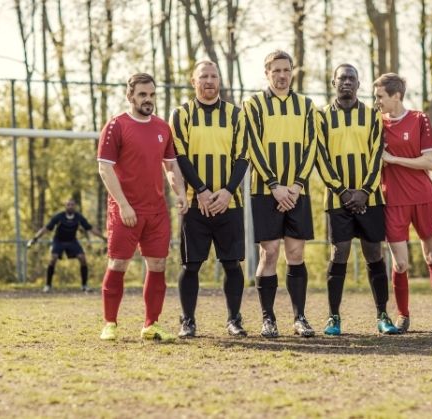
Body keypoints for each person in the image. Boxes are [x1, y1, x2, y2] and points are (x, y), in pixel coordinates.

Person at [96, 73, 188, 342]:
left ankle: (151, 324)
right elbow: (105, 168)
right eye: (142, 95)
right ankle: (110, 323)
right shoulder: (116, 126)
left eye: (152, 95)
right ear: (130, 96)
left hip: (157, 211)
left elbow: (170, 165)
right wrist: (123, 205)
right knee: (118, 264)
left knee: (158, 265)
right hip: (126, 210)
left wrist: (180, 192)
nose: (148, 100)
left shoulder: (162, 127)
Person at [372, 73, 432, 333]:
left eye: (380, 96)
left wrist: (394, 159)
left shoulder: (419, 119)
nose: (377, 101)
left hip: (422, 198)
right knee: (400, 264)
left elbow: (430, 162)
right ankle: (402, 315)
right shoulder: (376, 124)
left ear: (396, 95)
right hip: (393, 200)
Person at [315, 64, 400, 335]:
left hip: (370, 198)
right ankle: (333, 317)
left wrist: (364, 190)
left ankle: (383, 315)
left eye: (352, 78)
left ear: (359, 84)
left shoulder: (373, 116)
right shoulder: (322, 117)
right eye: (342, 78)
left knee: (374, 253)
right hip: (337, 199)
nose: (347, 83)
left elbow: (377, 155)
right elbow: (321, 158)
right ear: (333, 83)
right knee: (338, 253)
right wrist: (342, 192)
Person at [169, 61, 250, 338]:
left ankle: (234, 320)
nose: (209, 81)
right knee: (191, 264)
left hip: (230, 202)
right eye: (203, 76)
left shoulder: (236, 115)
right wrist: (201, 190)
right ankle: (187, 321)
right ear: (194, 81)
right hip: (195, 203)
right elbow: (180, 156)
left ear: (220, 81)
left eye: (214, 76)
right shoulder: (181, 114)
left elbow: (243, 157)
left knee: (232, 264)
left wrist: (227, 191)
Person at [243, 50, 319, 338]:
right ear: (267, 73)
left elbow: (312, 146)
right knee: (270, 252)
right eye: (276, 70)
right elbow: (253, 146)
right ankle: (268, 319)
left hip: (298, 191)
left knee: (296, 252)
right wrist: (275, 185)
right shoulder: (253, 105)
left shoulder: (307, 106)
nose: (282, 75)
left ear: (292, 72)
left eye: (286, 70)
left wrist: (297, 185)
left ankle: (300, 317)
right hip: (265, 191)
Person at [26, 199, 105, 293]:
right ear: (65, 206)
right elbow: (46, 228)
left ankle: (84, 286)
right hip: (58, 241)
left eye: (72, 205)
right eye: (68, 205)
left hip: (72, 241)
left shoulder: (78, 217)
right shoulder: (59, 217)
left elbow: (91, 229)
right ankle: (48, 285)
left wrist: (104, 238)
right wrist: (35, 239)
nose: (70, 206)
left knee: (82, 258)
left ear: (75, 206)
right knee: (53, 259)